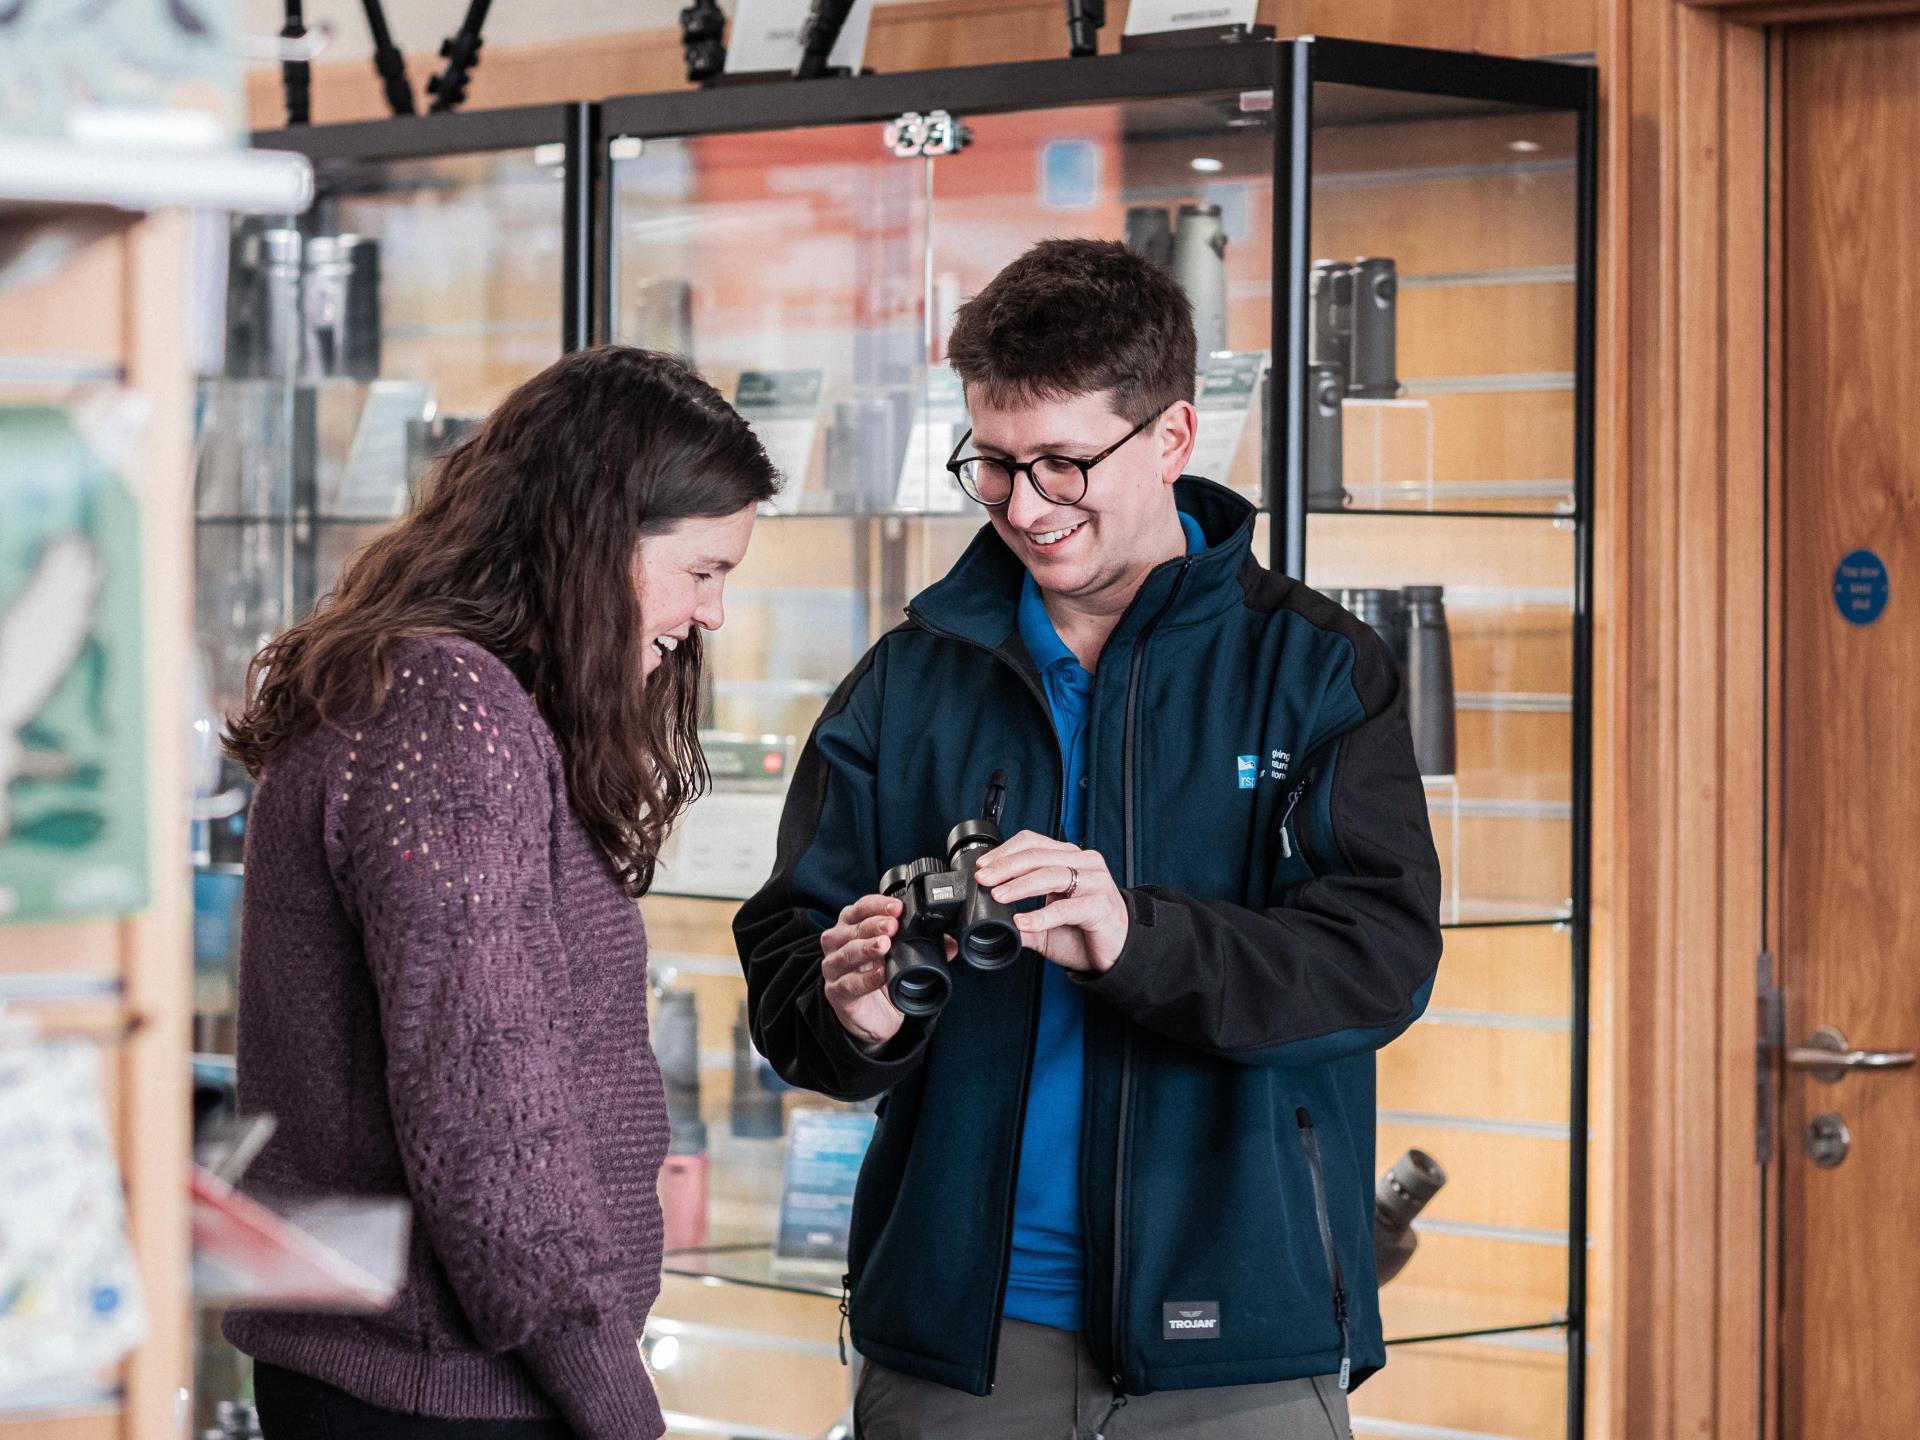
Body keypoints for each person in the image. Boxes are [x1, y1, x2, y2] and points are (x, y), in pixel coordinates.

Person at [736, 240, 1442, 1439]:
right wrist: (853, 1016)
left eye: (1064, 464)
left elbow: (1378, 962)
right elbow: (789, 963)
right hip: (956, 1342)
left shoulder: (1320, 672)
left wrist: (1135, 937)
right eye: (995, 465)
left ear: (1172, 438)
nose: (1024, 507)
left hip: (1241, 1347)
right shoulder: (904, 681)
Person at [221, 345, 778, 1440]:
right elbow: (487, 1117)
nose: (711, 614)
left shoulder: (430, 691)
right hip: (439, 1390)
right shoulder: (448, 715)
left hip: (408, 1372)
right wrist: (620, 1408)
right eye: (703, 570)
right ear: (596, 537)